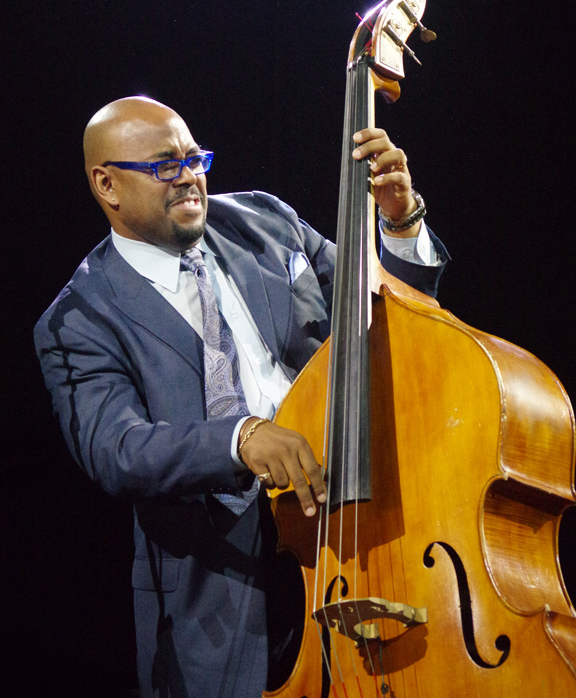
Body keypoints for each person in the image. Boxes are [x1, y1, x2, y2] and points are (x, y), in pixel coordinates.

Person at [34, 96, 448, 698]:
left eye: (194, 158)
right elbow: (115, 448)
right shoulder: (79, 318)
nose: (190, 178)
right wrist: (240, 438)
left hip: (362, 533)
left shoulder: (264, 220)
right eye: (164, 167)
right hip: (226, 600)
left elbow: (391, 323)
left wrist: (399, 222)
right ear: (107, 184)